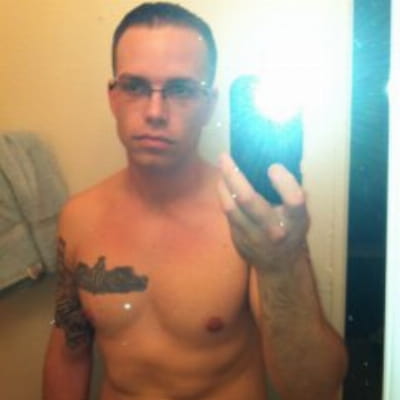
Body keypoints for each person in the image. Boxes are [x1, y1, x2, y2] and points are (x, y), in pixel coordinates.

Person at [42, 3, 348, 400]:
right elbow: (70, 356)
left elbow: (314, 388)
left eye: (182, 90)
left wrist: (281, 262)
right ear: (113, 97)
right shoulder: (79, 217)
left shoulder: (248, 217)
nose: (155, 112)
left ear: (209, 104)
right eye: (135, 87)